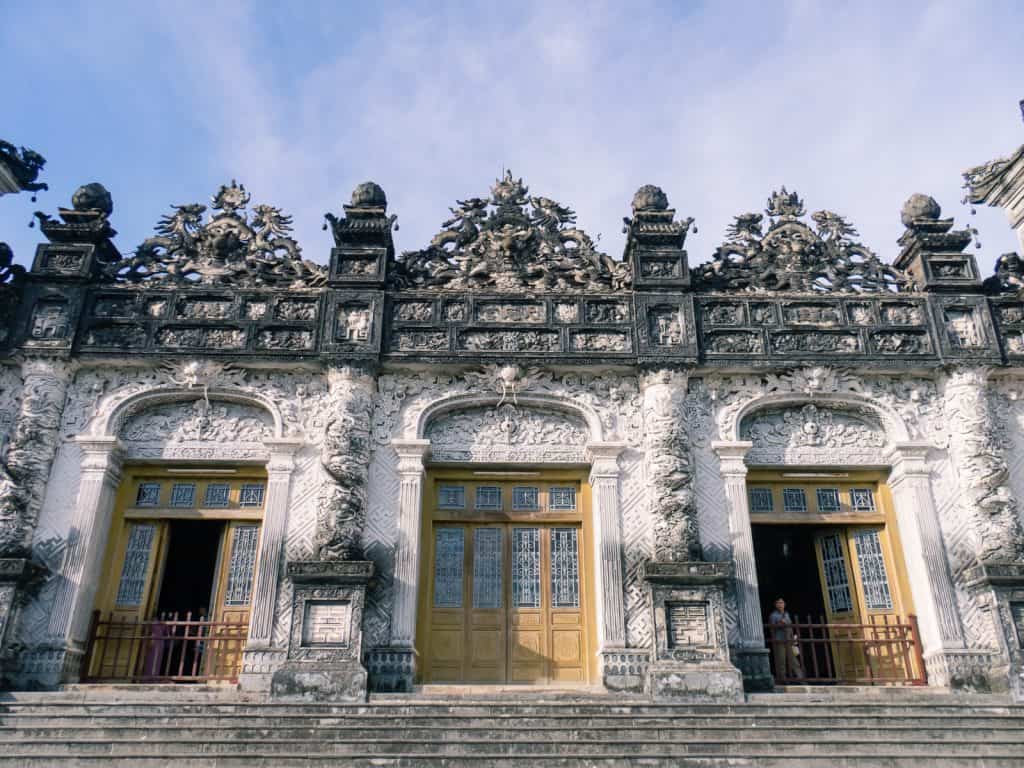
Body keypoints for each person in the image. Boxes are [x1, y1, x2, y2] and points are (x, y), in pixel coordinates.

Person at [768, 598, 803, 681]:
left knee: (793, 660)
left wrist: (793, 637)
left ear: (784, 604)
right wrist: (780, 623)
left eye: (782, 603)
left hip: (788, 640)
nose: (780, 605)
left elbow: (790, 626)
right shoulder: (773, 615)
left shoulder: (787, 614)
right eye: (779, 603)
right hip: (779, 640)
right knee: (781, 660)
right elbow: (772, 627)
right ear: (776, 605)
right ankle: (783, 679)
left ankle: (800, 678)